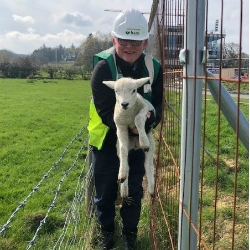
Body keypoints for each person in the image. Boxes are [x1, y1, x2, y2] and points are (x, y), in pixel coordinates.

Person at [88, 9, 163, 250]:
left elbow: (158, 108)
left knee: (133, 191)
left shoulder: (153, 68)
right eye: (123, 40)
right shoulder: (103, 68)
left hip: (139, 143)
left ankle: (129, 236)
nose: (129, 46)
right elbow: (105, 113)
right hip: (108, 142)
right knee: (106, 192)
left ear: (144, 42)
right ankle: (106, 234)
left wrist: (145, 127)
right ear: (114, 41)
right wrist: (132, 131)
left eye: (136, 41)